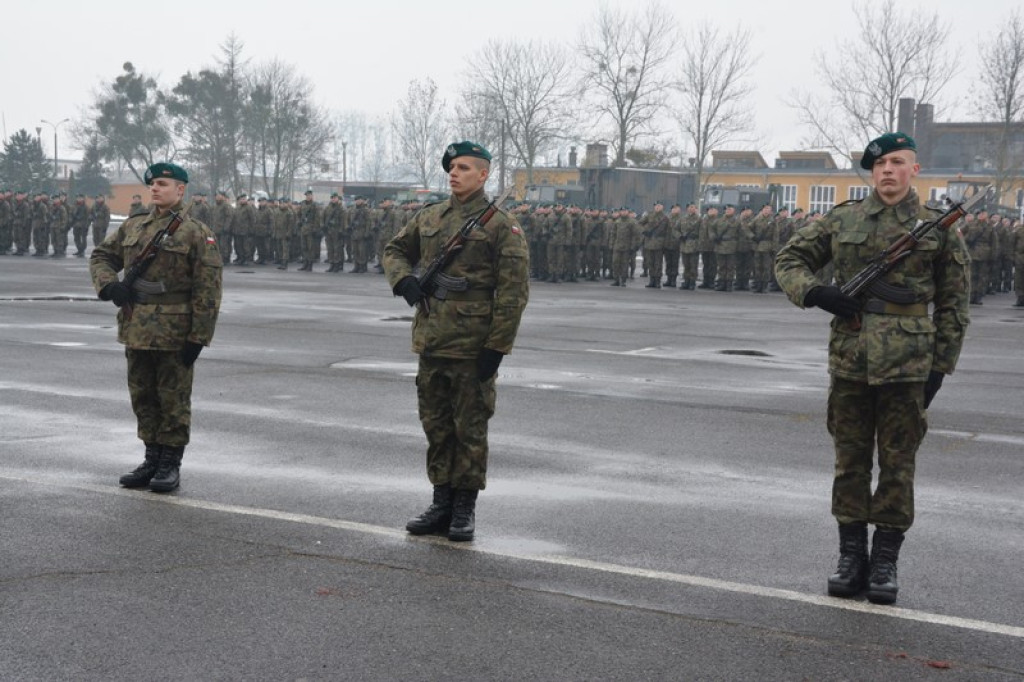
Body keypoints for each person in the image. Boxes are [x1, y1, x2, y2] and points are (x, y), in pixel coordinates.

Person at [775, 132, 969, 605]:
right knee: (850, 464)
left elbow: (954, 305)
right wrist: (819, 294)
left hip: (909, 368)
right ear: (871, 170)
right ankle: (850, 556)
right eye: (880, 163)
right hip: (850, 363)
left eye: (898, 162)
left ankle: (885, 561)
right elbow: (789, 260)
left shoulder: (938, 228)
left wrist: (939, 369)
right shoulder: (844, 218)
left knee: (898, 467)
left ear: (914, 170)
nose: (888, 171)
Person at [383, 141, 529, 542]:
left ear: (483, 175)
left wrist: (497, 348)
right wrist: (405, 281)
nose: (454, 173)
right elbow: (394, 249)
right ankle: (440, 501)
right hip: (432, 342)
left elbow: (513, 292)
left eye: (464, 167)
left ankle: (465, 508)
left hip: (472, 346)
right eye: (452, 167)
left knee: (471, 429)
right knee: (436, 426)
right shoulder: (430, 216)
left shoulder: (501, 225)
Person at [89, 162, 223, 493]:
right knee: (143, 396)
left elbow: (209, 289)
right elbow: (101, 256)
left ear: (181, 189)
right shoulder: (134, 227)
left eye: (163, 183)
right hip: (136, 328)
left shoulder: (195, 232)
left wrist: (199, 337)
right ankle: (151, 458)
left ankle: (169, 464)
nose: (155, 189)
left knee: (173, 399)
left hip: (175, 332)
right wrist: (110, 286)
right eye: (153, 184)